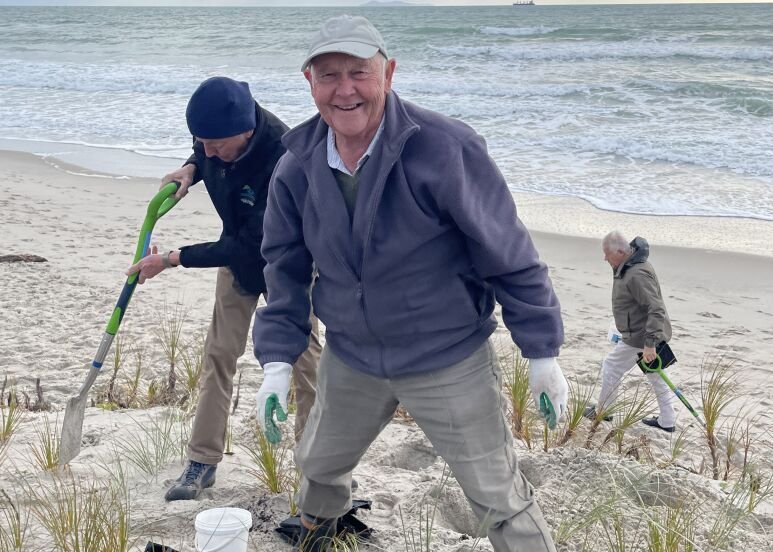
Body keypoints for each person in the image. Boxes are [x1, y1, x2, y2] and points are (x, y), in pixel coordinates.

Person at [251, 15, 568, 552]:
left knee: (497, 495)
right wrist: (278, 362)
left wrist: (541, 351)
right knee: (319, 464)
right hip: (351, 357)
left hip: (446, 357)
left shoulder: (447, 149)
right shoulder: (295, 167)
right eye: (329, 75)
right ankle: (318, 530)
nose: (345, 89)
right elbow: (283, 269)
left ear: (389, 73)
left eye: (359, 72)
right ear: (309, 82)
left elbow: (508, 253)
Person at [126, 76, 321, 501]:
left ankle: (317, 465)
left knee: (308, 366)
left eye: (217, 146)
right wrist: (190, 169)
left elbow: (251, 242)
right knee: (218, 356)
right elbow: (203, 148)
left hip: (286, 265)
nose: (210, 151)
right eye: (201, 142)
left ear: (247, 131)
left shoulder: (284, 158)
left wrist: (172, 259)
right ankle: (202, 461)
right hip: (236, 262)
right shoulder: (216, 137)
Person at [586, 231, 676, 432]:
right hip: (640, 332)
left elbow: (656, 308)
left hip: (640, 337)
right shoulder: (628, 265)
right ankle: (668, 421)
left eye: (607, 253)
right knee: (655, 374)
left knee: (611, 366)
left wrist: (650, 343)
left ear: (620, 251)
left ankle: (605, 411)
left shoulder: (636, 273)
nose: (604, 258)